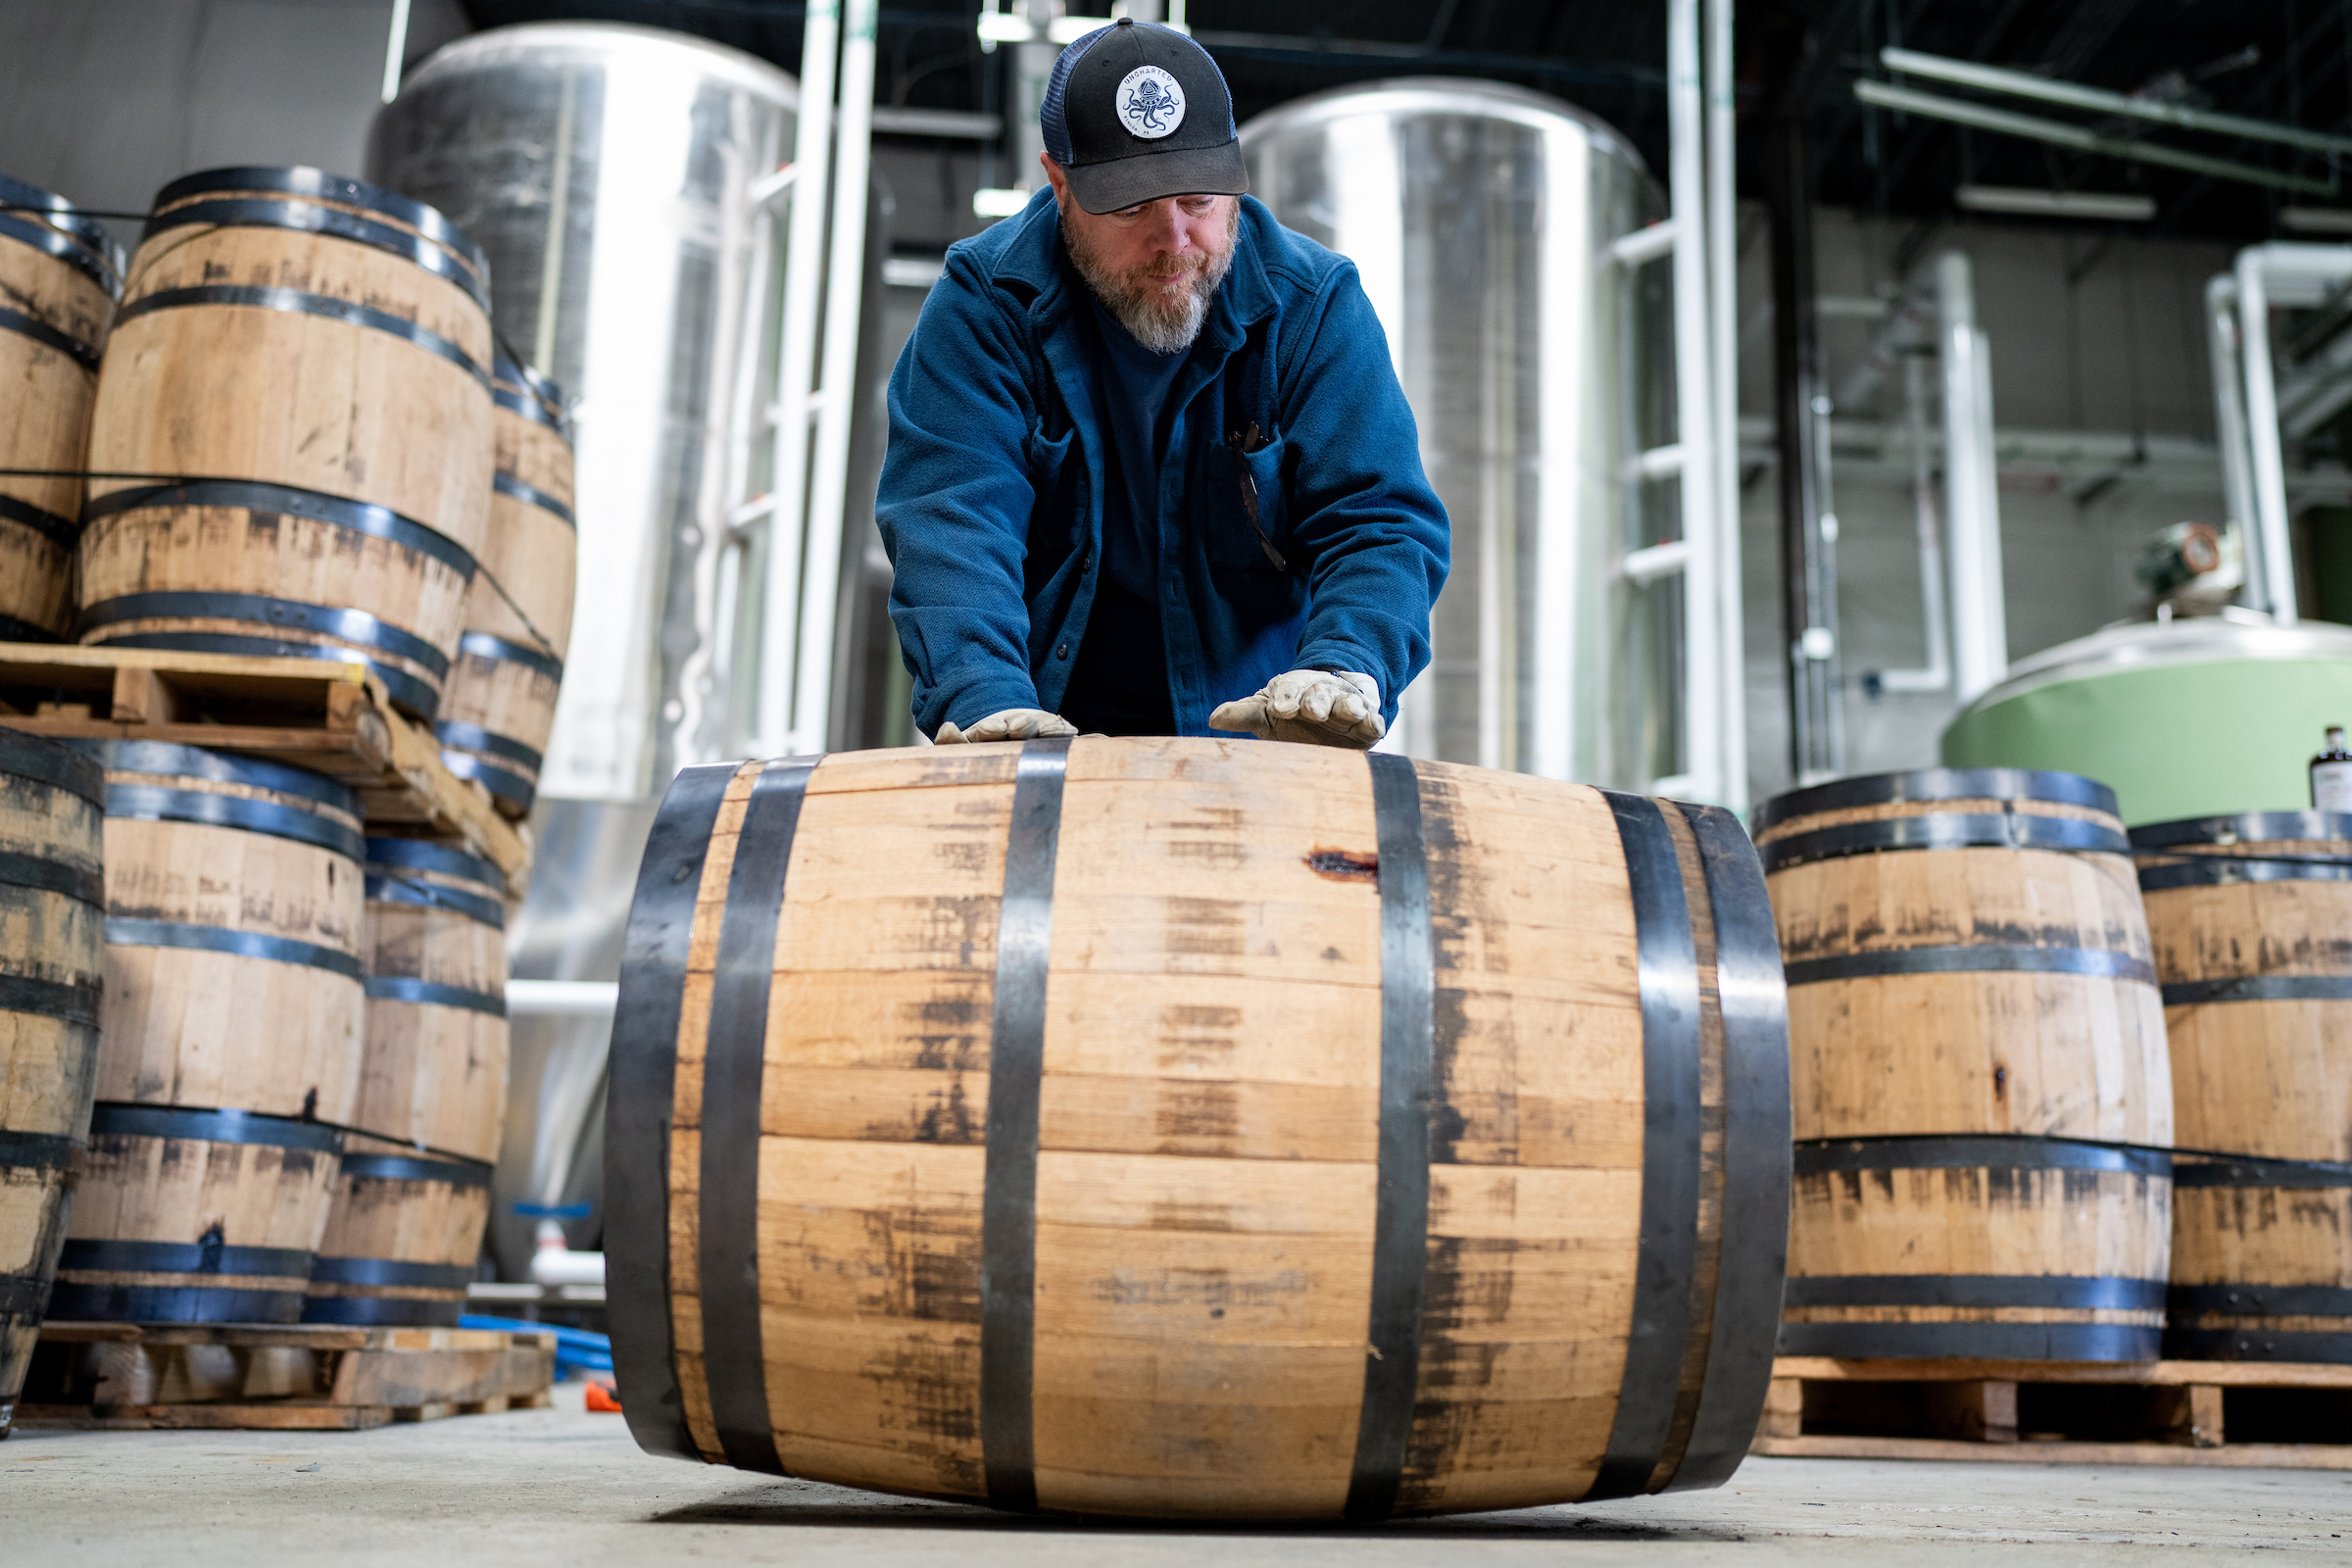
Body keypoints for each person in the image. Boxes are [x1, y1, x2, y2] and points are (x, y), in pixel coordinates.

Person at [876, 18, 1448, 749]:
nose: (1174, 240)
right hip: (1045, 730)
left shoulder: (1313, 309)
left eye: (1198, 201)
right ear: (1058, 184)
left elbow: (1378, 521)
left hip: (1262, 742)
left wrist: (1346, 668)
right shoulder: (985, 309)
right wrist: (984, 699)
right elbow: (951, 520)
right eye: (1131, 206)